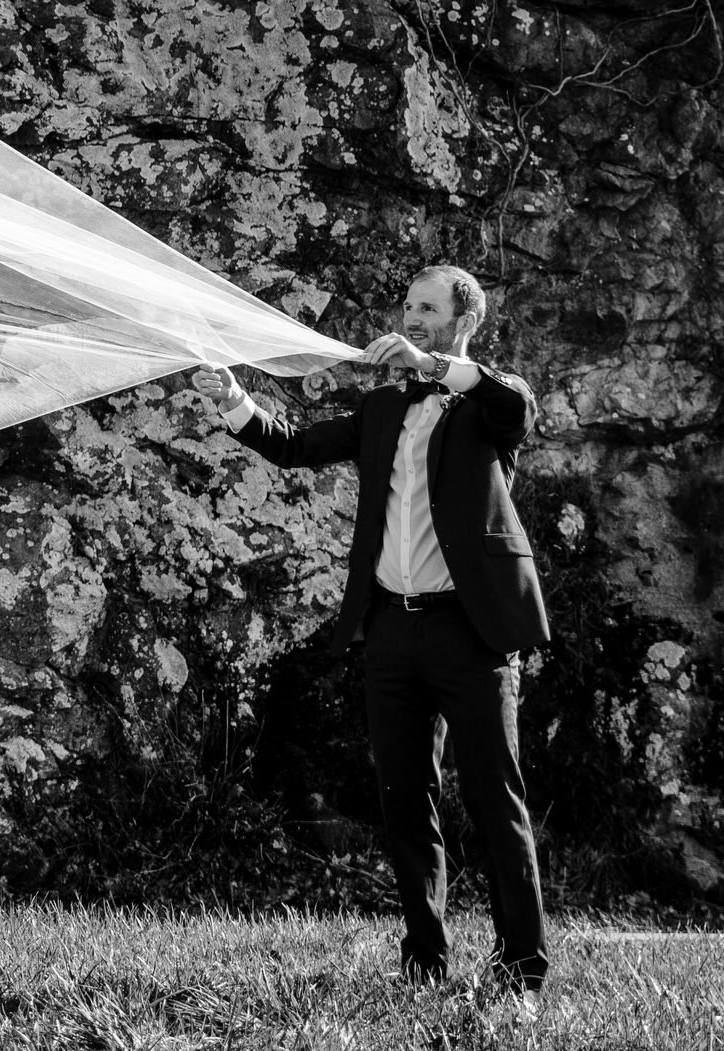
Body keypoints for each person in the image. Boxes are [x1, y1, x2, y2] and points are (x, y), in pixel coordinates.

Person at [192, 265, 550, 1003]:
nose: (412, 317)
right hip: (390, 630)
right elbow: (295, 445)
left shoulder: (489, 402)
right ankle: (425, 959)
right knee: (404, 801)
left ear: (463, 322)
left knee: (495, 799)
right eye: (409, 306)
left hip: (472, 634)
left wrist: (432, 369)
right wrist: (232, 400)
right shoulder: (383, 407)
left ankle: (522, 968)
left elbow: (510, 400)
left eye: (428, 308)